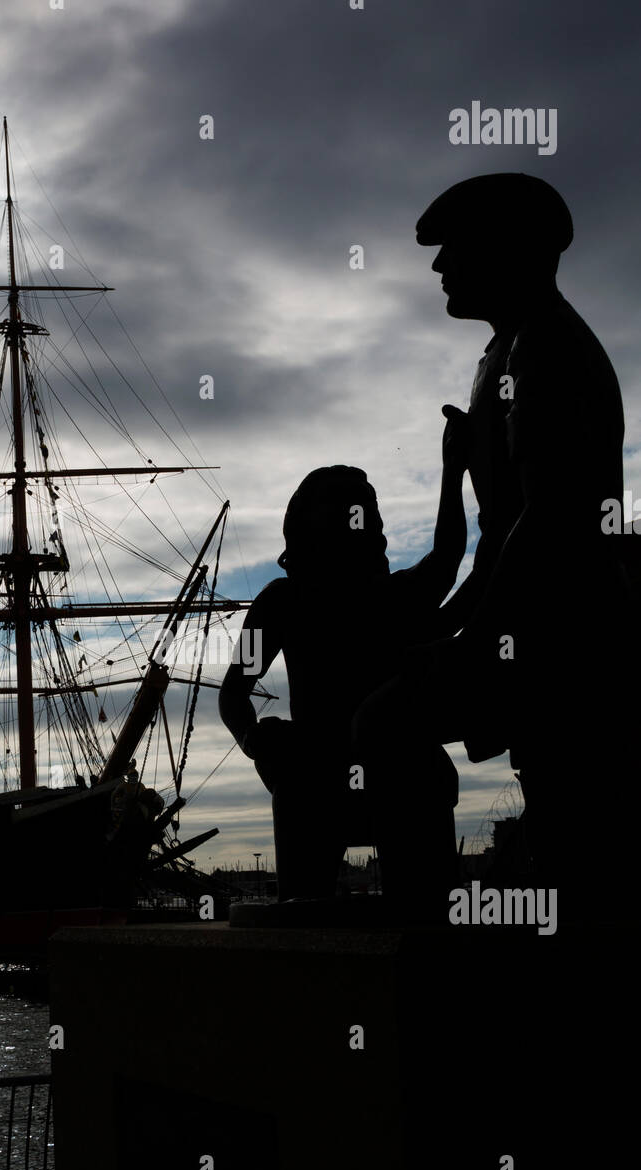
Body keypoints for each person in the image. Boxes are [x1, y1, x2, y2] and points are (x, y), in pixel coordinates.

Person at [353, 172, 632, 921]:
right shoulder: (504, 355)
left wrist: (470, 640)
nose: (440, 267)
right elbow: (496, 539)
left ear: (508, 251)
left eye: (455, 250)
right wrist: (443, 630)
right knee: (572, 825)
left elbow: (549, 524)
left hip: (566, 631)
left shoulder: (548, 352)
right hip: (528, 623)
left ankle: (430, 939)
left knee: (392, 725)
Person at [219, 428, 468, 904]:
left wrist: (453, 473)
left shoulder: (386, 597)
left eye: (371, 516)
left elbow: (446, 561)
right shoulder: (282, 603)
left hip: (393, 767)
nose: (372, 527)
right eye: (359, 516)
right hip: (311, 768)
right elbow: (235, 691)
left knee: (422, 906)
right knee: (303, 904)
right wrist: (255, 741)